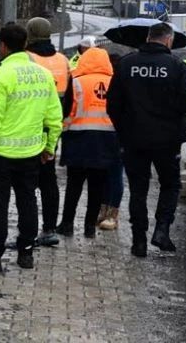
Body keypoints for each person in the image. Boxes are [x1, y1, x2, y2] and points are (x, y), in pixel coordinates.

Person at [0, 24, 63, 273]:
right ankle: (26, 252)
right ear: (24, 44)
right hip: (31, 154)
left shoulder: (0, 75)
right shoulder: (43, 74)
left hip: (0, 155)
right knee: (28, 201)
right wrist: (49, 147)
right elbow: (54, 117)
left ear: (2, 46)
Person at [106, 22, 186, 257]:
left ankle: (138, 241)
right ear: (169, 40)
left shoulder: (126, 64)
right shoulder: (176, 66)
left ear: (148, 37)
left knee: (138, 189)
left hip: (134, 139)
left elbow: (112, 105)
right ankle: (162, 230)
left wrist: (124, 131)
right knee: (170, 185)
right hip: (167, 140)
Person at [56, 47, 120, 238]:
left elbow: (66, 111)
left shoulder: (76, 81)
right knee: (97, 187)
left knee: (74, 185)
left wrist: (64, 130)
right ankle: (89, 227)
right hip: (106, 140)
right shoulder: (114, 82)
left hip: (78, 139)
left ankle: (67, 224)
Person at [24, 17, 71, 247]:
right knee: (48, 180)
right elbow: (69, 97)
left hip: (29, 127)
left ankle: (27, 231)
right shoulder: (63, 60)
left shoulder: (27, 59)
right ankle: (49, 228)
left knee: (26, 184)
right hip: (53, 128)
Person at [99, 52, 127, 231]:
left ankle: (106, 212)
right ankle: (110, 214)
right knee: (115, 175)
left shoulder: (117, 83)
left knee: (109, 174)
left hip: (107, 134)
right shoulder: (124, 83)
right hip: (116, 134)